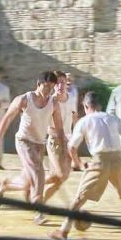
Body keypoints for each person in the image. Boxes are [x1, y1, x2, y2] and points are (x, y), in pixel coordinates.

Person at [48, 92, 121, 240]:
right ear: (100, 106)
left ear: (86, 106)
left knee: (80, 197)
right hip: (119, 159)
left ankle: (64, 231)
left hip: (100, 160)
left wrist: (78, 163)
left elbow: (72, 147)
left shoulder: (84, 121)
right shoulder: (112, 118)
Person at [0, 71, 65, 225]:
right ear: (38, 85)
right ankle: (39, 212)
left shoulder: (53, 103)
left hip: (39, 144)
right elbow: (7, 118)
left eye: (51, 88)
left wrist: (64, 149)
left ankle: (2, 188)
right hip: (24, 141)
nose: (48, 91)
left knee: (27, 183)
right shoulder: (24, 99)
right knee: (39, 172)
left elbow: (59, 128)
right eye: (45, 87)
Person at [40, 71, 79, 218]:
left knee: (60, 177)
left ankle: (34, 186)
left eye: (63, 82)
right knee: (61, 175)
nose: (60, 85)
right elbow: (45, 125)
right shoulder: (49, 101)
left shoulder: (72, 98)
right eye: (57, 83)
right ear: (53, 85)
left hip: (68, 142)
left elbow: (74, 118)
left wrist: (76, 138)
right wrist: (58, 135)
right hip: (54, 141)